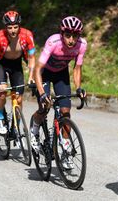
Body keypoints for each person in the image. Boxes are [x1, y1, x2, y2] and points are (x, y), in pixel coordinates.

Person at [30, 16, 87, 169]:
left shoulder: (81, 45)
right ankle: (34, 129)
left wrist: (79, 88)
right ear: (62, 34)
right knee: (45, 107)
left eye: (75, 36)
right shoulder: (53, 42)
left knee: (66, 112)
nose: (71, 40)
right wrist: (42, 93)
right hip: (45, 74)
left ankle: (66, 151)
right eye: (68, 35)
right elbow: (38, 69)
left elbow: (77, 68)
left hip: (61, 75)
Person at [0, 10, 36, 134]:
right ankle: (0, 118)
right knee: (2, 93)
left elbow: (32, 58)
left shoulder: (27, 35)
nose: (13, 30)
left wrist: (31, 77)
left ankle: (16, 125)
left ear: (19, 26)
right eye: (10, 27)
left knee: (19, 98)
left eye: (15, 27)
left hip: (16, 65)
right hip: (2, 64)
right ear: (5, 27)